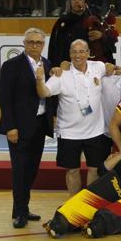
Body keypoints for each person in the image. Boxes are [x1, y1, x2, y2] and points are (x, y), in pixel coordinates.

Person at [35, 39, 113, 195]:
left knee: (94, 170)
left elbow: (112, 68)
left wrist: (111, 67)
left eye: (82, 51)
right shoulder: (61, 74)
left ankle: (88, 204)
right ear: (69, 54)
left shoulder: (98, 67)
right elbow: (43, 92)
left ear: (88, 53)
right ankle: (74, 205)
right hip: (69, 133)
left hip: (96, 131)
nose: (78, 55)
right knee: (72, 171)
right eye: (74, 52)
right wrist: (39, 79)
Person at [0, 28, 56, 228]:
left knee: (32, 170)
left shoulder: (48, 64)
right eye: (30, 42)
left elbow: (50, 94)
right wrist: (10, 127)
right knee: (20, 171)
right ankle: (20, 213)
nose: (34, 45)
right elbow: (5, 99)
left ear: (43, 44)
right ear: (24, 43)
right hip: (19, 129)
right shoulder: (11, 66)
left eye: (38, 42)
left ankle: (22, 207)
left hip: (40, 126)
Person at [47, 0, 117, 67]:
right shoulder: (63, 22)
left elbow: (110, 43)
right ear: (70, 2)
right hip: (67, 68)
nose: (76, 1)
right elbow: (54, 47)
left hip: (91, 68)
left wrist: (101, 35)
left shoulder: (94, 21)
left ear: (85, 2)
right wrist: (55, 66)